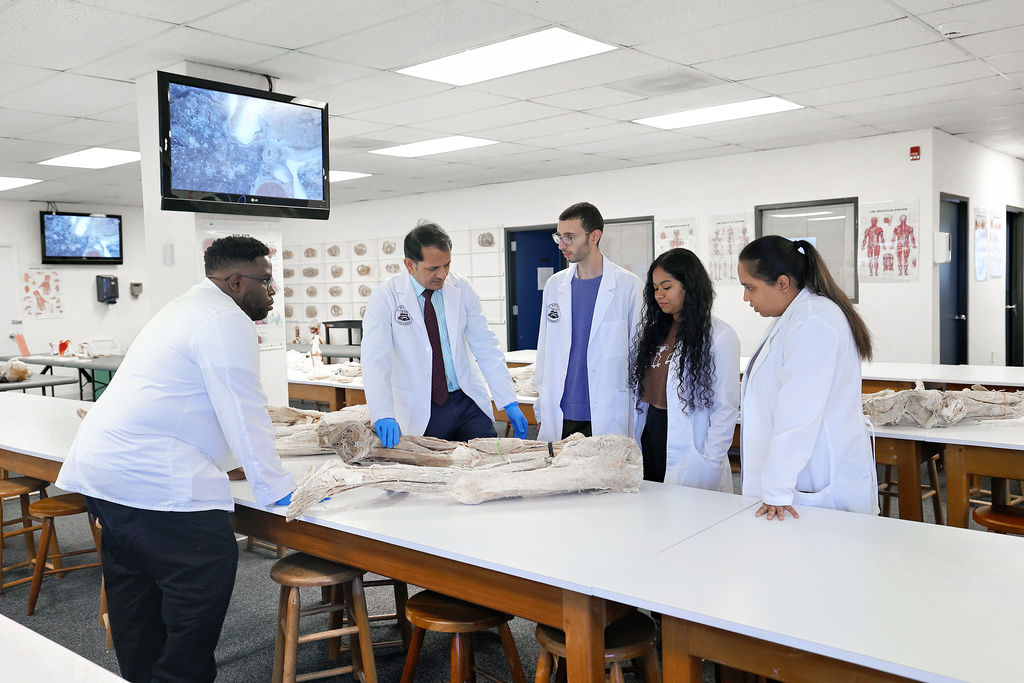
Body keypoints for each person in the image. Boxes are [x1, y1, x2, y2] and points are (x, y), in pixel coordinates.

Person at [56, 235, 297, 682]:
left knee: (136, 602)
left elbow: (185, 400)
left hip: (107, 476)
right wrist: (279, 493)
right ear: (236, 281)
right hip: (153, 482)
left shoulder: (186, 307)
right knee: (197, 596)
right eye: (266, 281)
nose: (273, 290)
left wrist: (226, 463)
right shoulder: (225, 320)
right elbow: (244, 412)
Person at [737, 235, 878, 520]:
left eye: (750, 287)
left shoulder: (814, 320)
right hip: (802, 474)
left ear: (782, 283)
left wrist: (776, 487)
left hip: (816, 478)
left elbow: (798, 413)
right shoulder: (796, 316)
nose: (746, 298)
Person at [362, 221, 528, 445]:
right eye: (433, 268)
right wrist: (382, 412)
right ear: (410, 265)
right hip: (423, 405)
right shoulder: (387, 296)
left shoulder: (461, 288)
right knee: (434, 473)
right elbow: (375, 360)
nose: (442, 274)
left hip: (466, 399)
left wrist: (508, 400)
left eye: (447, 265)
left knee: (488, 459)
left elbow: (485, 345)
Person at [629, 248, 739, 488]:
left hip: (690, 439)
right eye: (655, 288)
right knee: (650, 508)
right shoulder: (655, 331)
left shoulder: (720, 336)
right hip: (651, 429)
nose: (659, 295)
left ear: (689, 285)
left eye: (666, 287)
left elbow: (725, 408)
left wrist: (710, 460)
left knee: (686, 516)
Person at [535, 202, 642, 441]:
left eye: (569, 237)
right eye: (559, 237)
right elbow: (545, 348)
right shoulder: (555, 285)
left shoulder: (628, 286)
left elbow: (638, 352)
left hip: (606, 411)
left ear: (594, 237)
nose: (561, 245)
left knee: (606, 477)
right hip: (561, 408)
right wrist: (541, 403)